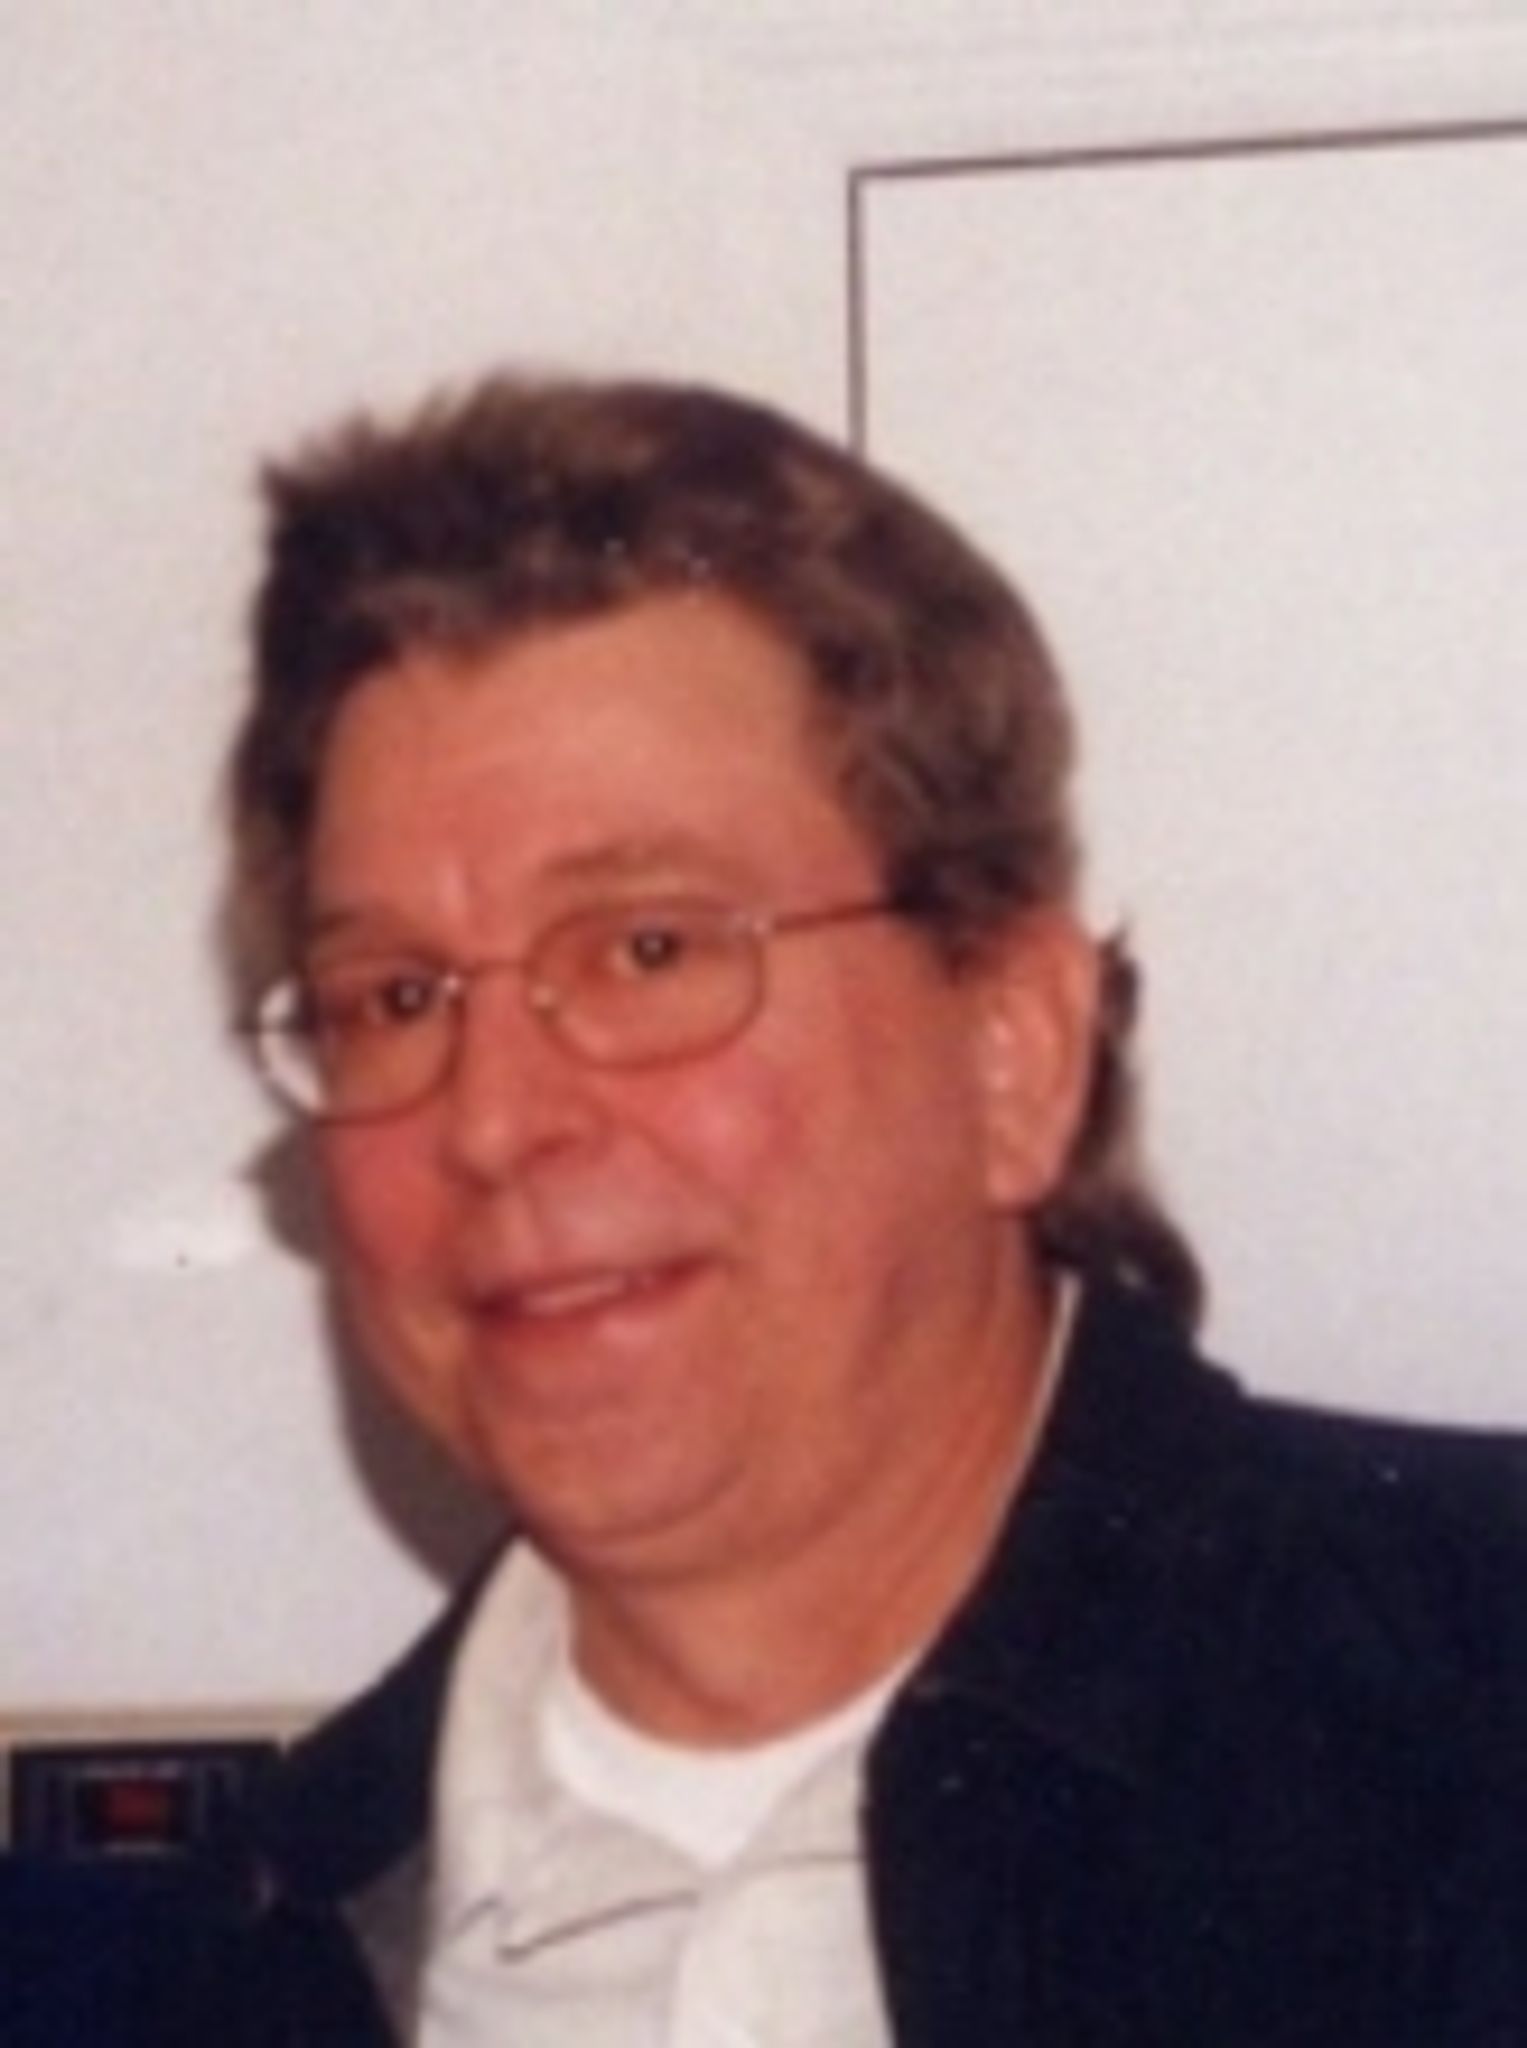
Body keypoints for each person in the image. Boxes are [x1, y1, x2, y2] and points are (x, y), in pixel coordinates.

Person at [203, 375, 1523, 2043]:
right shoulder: (226, 1967)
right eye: (394, 997)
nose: (492, 1120)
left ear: (1013, 1049)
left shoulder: (1475, 1745)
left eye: (648, 949)